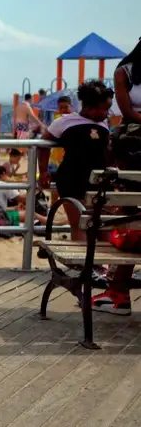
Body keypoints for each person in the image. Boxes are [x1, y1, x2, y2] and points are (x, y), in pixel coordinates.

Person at [95, 40, 141, 315]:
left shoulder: (124, 71)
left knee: (129, 218)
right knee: (130, 219)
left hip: (132, 148)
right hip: (134, 146)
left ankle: (119, 292)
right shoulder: (125, 71)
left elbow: (126, 112)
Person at [38, 80, 113, 244]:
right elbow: (43, 146)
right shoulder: (65, 122)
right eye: (104, 109)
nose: (108, 113)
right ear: (89, 108)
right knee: (79, 225)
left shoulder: (103, 124)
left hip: (99, 180)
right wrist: (43, 171)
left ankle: (104, 267)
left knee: (104, 226)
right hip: (72, 179)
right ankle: (83, 267)